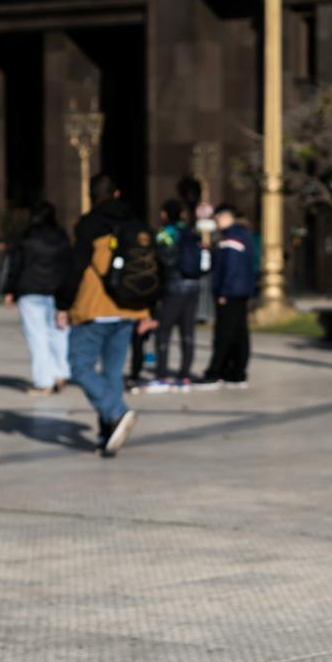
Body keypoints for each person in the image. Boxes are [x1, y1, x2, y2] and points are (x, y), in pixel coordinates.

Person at [67, 174, 153, 455]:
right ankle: (109, 434)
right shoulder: (135, 223)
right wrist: (151, 310)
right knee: (113, 372)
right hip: (128, 306)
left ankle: (116, 414)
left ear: (92, 195)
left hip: (95, 306)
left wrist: (62, 303)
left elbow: (76, 266)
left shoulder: (89, 224)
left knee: (79, 366)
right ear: (116, 194)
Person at [1, 201, 74, 394]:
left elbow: (15, 264)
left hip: (30, 290)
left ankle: (44, 381)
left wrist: (9, 290)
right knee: (58, 332)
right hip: (56, 291)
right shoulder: (61, 237)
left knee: (37, 336)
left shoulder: (26, 237)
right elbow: (69, 266)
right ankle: (60, 372)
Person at [150, 199, 206, 391]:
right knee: (187, 331)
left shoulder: (165, 233)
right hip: (194, 286)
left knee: (163, 331)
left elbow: (160, 261)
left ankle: (162, 374)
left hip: (173, 286)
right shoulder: (191, 232)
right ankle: (185, 375)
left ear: (165, 214)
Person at [202, 204, 256, 389]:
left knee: (224, 334)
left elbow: (231, 268)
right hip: (241, 292)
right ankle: (237, 373)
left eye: (217, 219)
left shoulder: (231, 238)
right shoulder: (244, 235)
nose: (216, 223)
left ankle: (216, 371)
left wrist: (224, 292)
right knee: (239, 333)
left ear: (225, 217)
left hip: (230, 293)